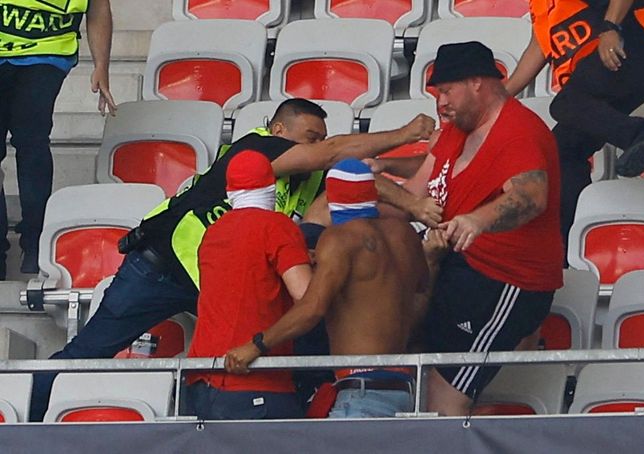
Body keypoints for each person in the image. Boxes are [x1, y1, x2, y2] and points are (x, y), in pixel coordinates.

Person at [29, 98, 437, 421]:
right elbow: (332, 155)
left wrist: (414, 202)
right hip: (159, 269)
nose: (316, 146)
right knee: (89, 353)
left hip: (217, 282)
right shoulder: (255, 148)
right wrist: (404, 133)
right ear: (279, 130)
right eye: (310, 136)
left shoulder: (308, 178)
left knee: (308, 327)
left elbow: (354, 179)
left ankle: (314, 409)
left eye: (320, 139)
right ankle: (25, 419)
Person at [379, 42, 564, 416]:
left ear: (477, 82)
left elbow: (531, 196)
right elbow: (414, 196)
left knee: (443, 398)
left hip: (504, 279)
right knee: (409, 370)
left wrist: (477, 220)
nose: (440, 103)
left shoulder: (518, 129)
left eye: (446, 91)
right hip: (453, 266)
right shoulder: (453, 132)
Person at [225, 159, 445, 419]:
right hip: (403, 387)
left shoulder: (339, 239)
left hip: (362, 392)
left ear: (331, 199)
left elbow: (312, 308)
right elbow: (414, 293)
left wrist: (256, 345)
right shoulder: (404, 233)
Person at [505, 0, 644, 245]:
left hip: (639, 46)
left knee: (565, 103)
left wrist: (610, 28)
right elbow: (539, 46)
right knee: (562, 150)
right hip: (610, 74)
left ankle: (640, 135)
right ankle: (565, 246)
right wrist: (501, 96)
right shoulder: (542, 6)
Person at [184, 150, 312, 420]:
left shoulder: (212, 232)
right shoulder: (277, 226)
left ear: (230, 192)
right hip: (253, 377)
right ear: (271, 187)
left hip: (202, 378)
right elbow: (307, 295)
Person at [0, 0, 116, 278]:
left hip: (47, 53)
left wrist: (102, 66)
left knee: (32, 143)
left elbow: (98, 7)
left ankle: (35, 241)